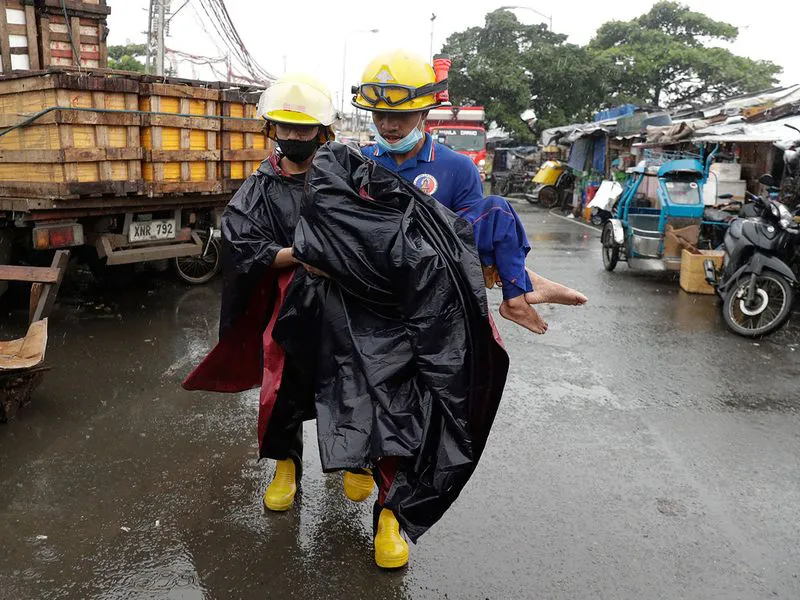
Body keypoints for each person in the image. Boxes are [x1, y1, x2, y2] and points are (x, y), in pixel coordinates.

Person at [182, 72, 374, 514]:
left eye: (302, 128)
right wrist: (299, 255)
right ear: (272, 129)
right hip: (288, 303)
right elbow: (242, 246)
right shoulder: (260, 186)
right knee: (285, 386)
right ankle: (286, 465)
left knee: (349, 378)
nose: (292, 137)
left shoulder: (348, 177)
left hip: (345, 304)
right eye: (284, 128)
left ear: (321, 132)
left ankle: (353, 460)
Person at [351, 50, 587, 334]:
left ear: (425, 112)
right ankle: (526, 282)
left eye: (400, 115)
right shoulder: (358, 164)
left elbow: (471, 244)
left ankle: (518, 291)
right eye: (379, 115)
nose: (388, 125)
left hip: (433, 297)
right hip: (370, 294)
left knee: (497, 212)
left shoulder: (459, 167)